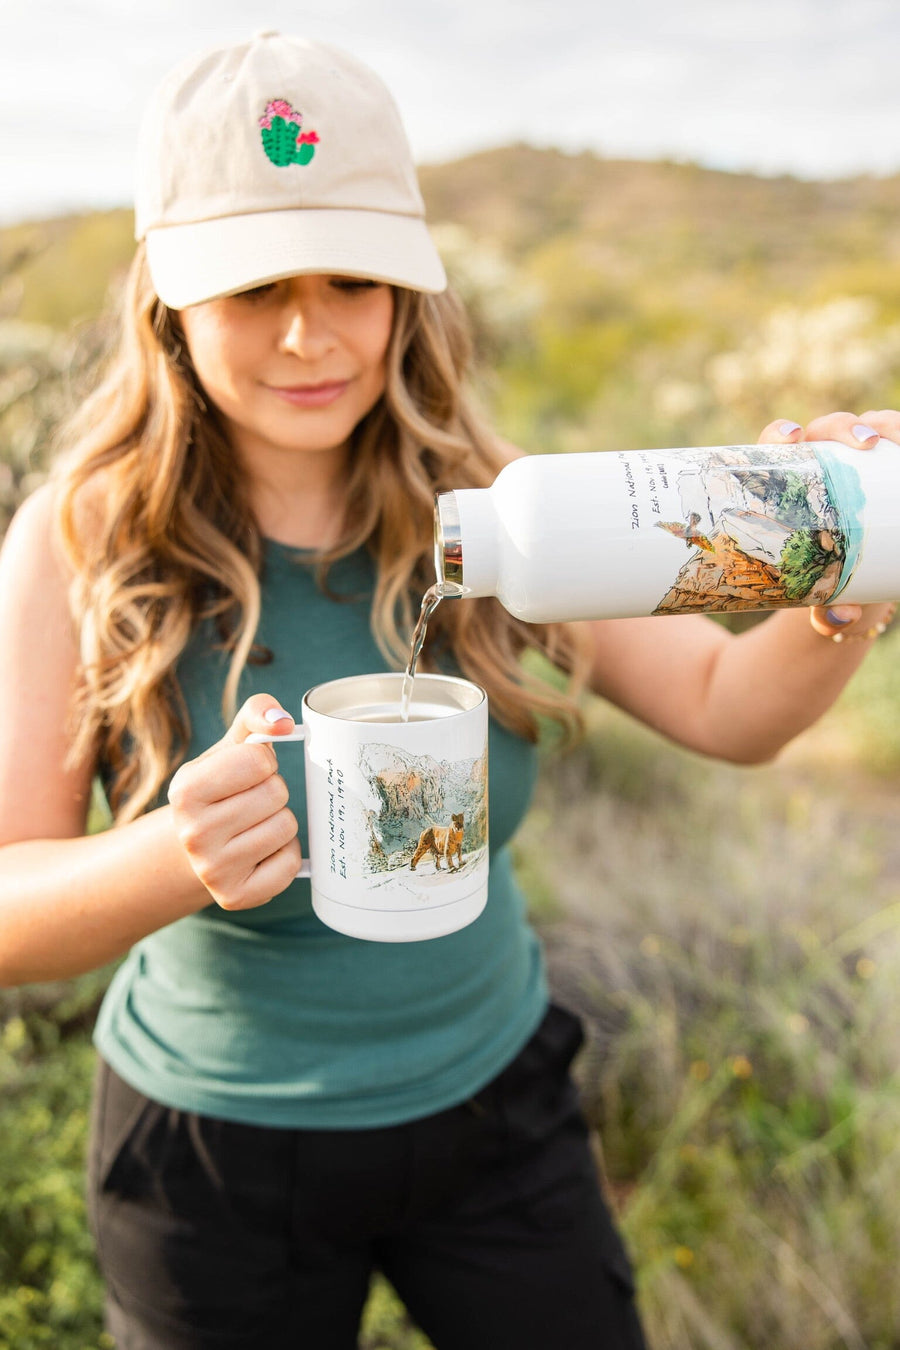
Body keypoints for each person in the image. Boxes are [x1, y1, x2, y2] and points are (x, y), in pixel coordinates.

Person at [0, 31, 896, 1350]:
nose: (310, 333)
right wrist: (171, 857)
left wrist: (840, 575)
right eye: (253, 287)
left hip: (496, 1110)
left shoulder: (498, 497)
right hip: (213, 1153)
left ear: (408, 291)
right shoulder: (78, 540)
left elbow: (725, 705)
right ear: (166, 304)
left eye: (353, 279)